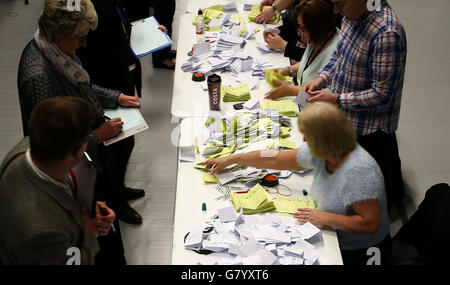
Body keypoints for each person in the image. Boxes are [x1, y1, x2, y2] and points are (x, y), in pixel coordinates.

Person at [203, 102, 391, 265]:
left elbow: (370, 224)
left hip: (361, 251)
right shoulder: (324, 150)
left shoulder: (359, 173)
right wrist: (233, 159)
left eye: (309, 136)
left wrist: (325, 218)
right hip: (331, 235)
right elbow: (275, 158)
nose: (304, 140)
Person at [17, 0, 143, 225]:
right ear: (58, 32)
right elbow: (52, 145)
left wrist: (116, 97)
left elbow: (83, 84)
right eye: (80, 37)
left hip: (84, 136)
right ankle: (111, 204)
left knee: (122, 146)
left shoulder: (55, 50)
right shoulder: (40, 77)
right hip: (72, 165)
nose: (84, 44)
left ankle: (116, 191)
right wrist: (98, 136)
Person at [303, 0, 407, 214]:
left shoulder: (386, 33)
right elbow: (339, 56)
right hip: (345, 121)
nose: (335, 11)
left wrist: (337, 99)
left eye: (340, 4)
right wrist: (322, 79)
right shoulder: (352, 15)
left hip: (369, 133)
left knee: (365, 204)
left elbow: (381, 94)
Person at [0, 97, 115, 265]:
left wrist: (89, 209)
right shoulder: (42, 233)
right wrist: (90, 235)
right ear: (76, 152)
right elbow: (73, 262)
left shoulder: (28, 147)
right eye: (87, 137)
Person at [265, 0, 339, 101]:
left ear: (316, 28)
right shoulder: (318, 38)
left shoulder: (334, 51)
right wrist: (288, 70)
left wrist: (290, 90)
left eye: (303, 28)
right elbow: (309, 64)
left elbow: (325, 96)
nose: (300, 33)